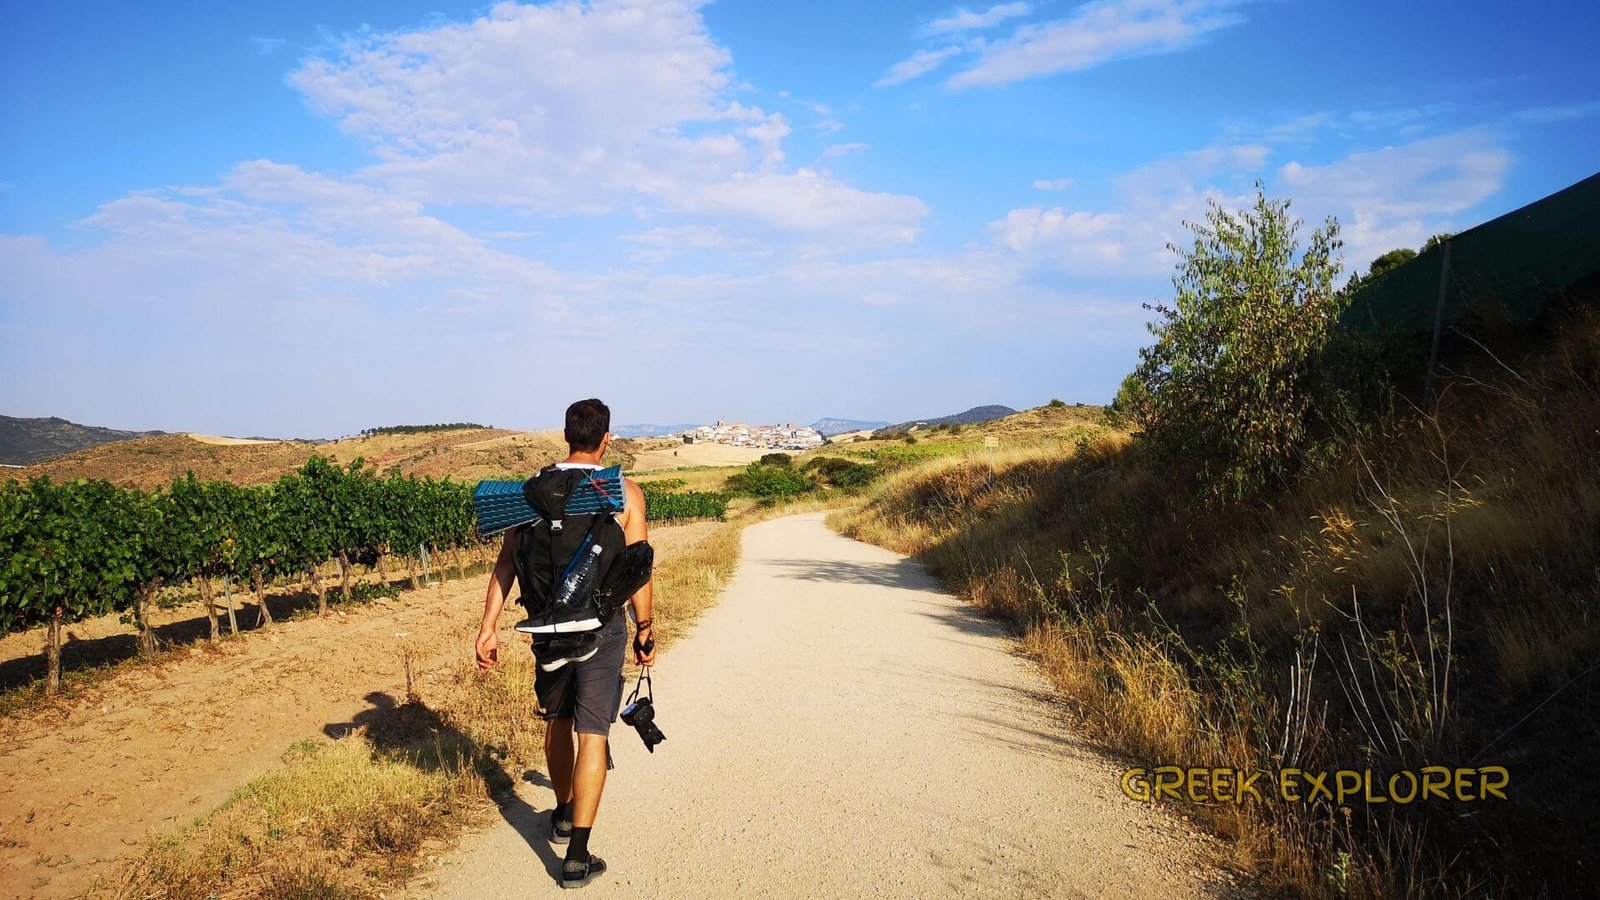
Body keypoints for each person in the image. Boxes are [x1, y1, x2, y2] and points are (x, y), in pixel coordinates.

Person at [474, 398, 656, 889]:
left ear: (565, 435)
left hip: (543, 628)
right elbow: (637, 568)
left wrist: (488, 626)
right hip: (601, 628)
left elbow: (506, 563)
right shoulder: (623, 492)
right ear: (606, 438)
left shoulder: (527, 495)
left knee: (556, 720)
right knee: (592, 732)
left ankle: (560, 811)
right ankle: (576, 855)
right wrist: (645, 628)